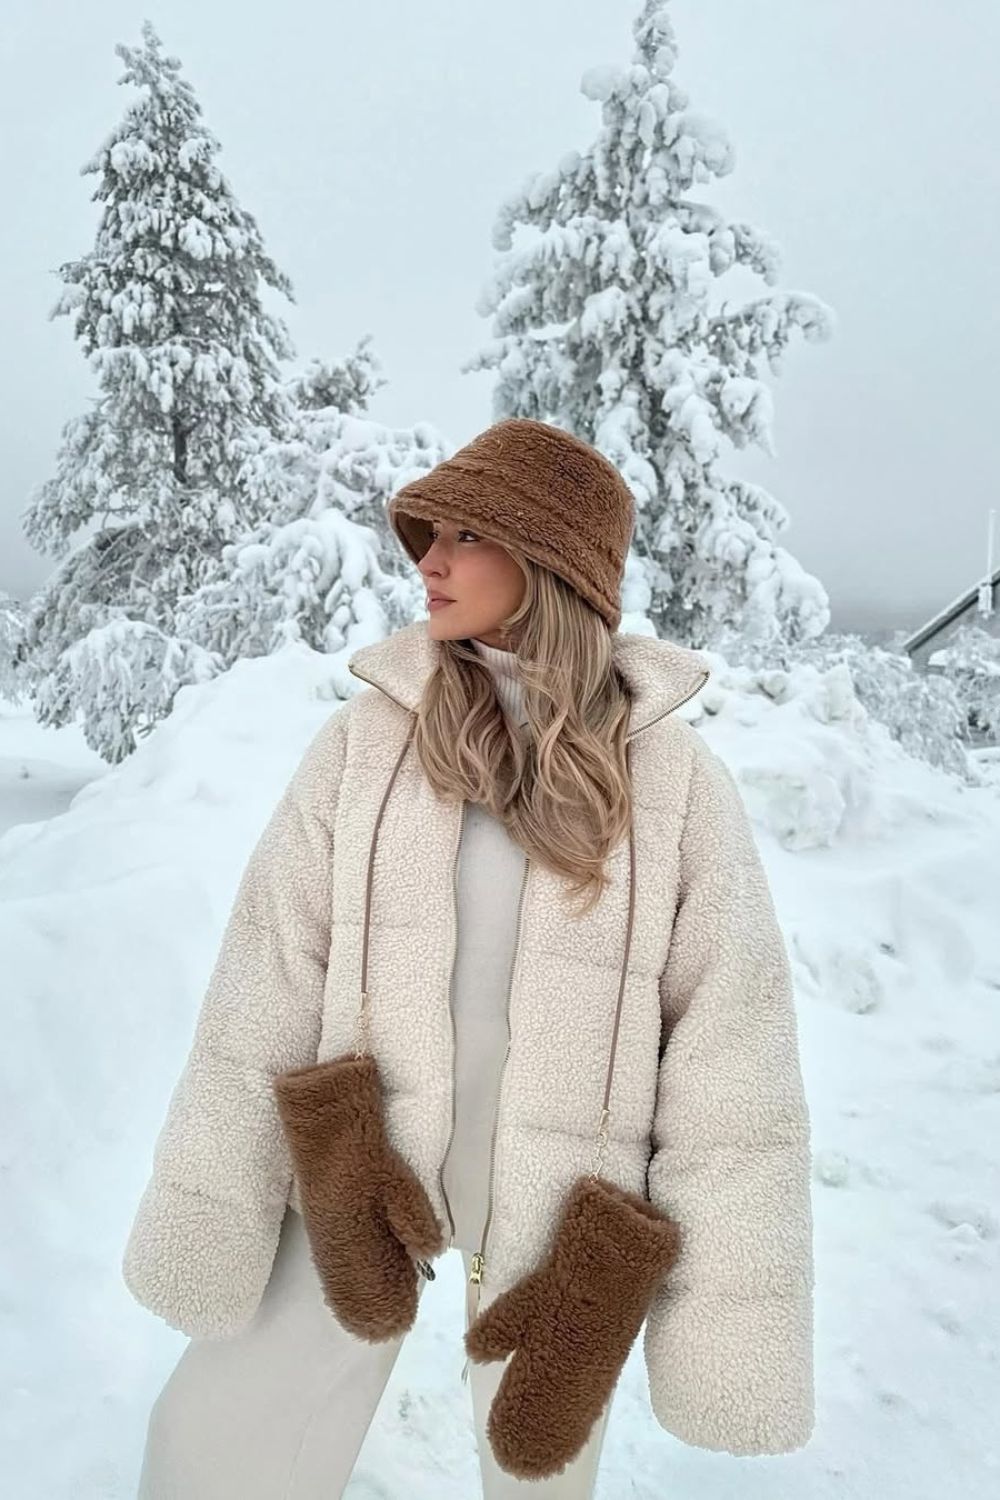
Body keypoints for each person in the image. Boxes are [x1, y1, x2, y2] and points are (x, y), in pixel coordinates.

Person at [121, 417, 816, 1498]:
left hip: (562, 1215)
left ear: (547, 565)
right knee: (215, 1445)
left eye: (464, 536)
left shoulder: (672, 783)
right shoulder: (368, 744)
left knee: (535, 1472)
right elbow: (267, 976)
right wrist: (214, 1206)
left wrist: (728, 1334)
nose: (428, 562)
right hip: (359, 1172)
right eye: (426, 535)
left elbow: (733, 1065)